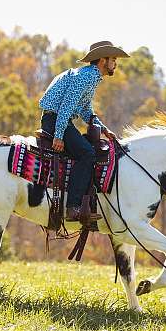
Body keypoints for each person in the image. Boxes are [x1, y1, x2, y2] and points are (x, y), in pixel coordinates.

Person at [38, 40, 130, 222]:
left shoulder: (90, 76)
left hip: (57, 118)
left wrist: (104, 129)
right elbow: (66, 106)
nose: (115, 63)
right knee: (87, 154)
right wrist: (58, 135)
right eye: (113, 59)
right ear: (103, 60)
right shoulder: (86, 77)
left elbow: (85, 110)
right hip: (55, 119)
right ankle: (73, 207)